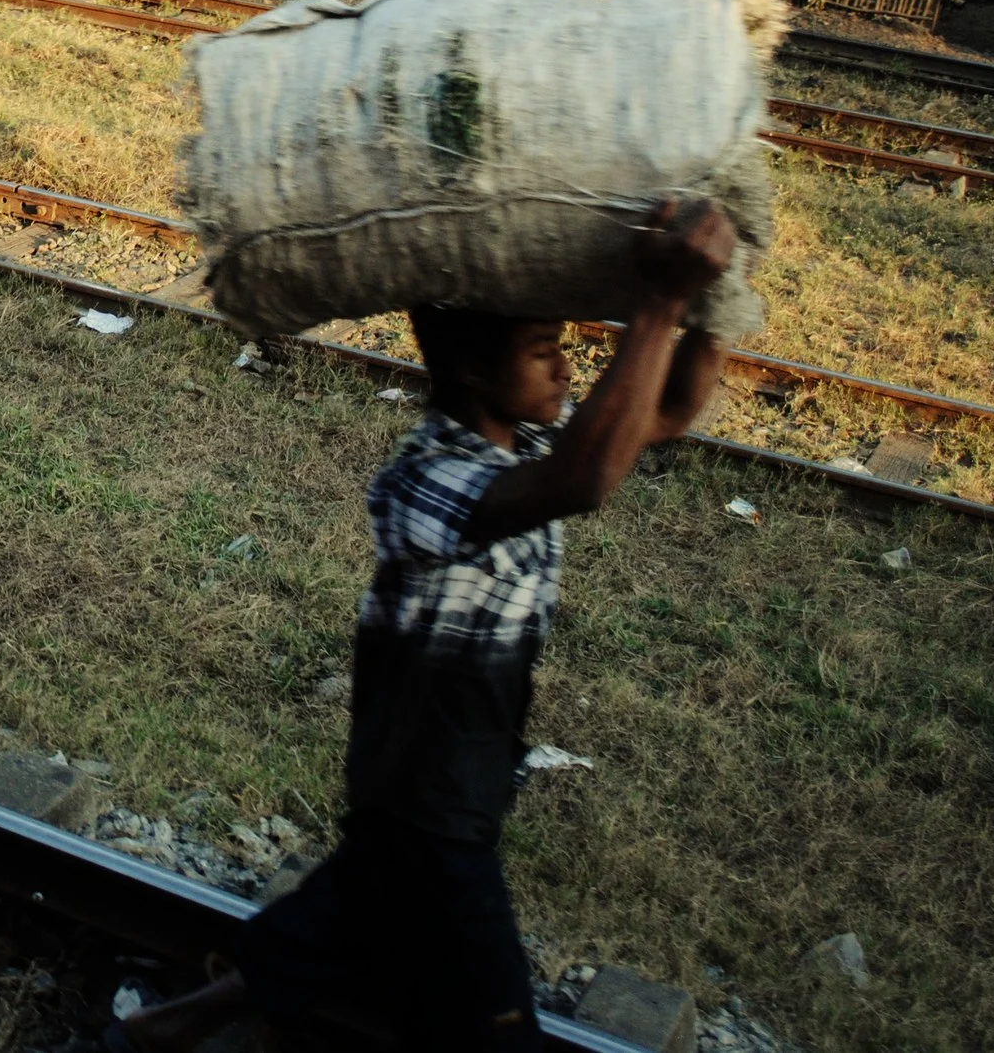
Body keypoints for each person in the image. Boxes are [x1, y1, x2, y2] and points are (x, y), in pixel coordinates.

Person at [107, 198, 738, 1053]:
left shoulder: (515, 453)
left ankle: (162, 1029)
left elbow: (669, 412)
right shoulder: (429, 477)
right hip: (425, 784)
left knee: (356, 913)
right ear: (474, 372)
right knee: (491, 1014)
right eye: (542, 351)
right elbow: (585, 480)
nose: (565, 369)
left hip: (461, 762)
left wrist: (715, 298)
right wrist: (660, 302)